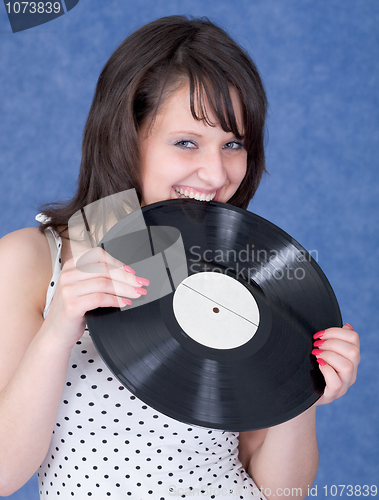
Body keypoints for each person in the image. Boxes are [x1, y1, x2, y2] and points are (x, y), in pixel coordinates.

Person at [0, 15, 360, 500]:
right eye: (186, 142)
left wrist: (301, 392)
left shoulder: (252, 270)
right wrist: (57, 331)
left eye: (233, 144)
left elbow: (283, 491)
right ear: (125, 136)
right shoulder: (31, 261)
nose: (214, 173)